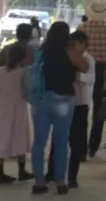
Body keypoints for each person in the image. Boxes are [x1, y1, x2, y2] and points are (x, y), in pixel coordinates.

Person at [29, 21, 87, 195]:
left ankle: (39, 182)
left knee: (39, 142)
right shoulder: (71, 52)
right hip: (63, 99)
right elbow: (85, 66)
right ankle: (60, 181)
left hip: (41, 99)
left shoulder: (41, 52)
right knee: (61, 141)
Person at [0, 23, 34, 184]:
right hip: (17, 105)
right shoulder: (30, 56)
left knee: (1, 134)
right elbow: (27, 86)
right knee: (19, 134)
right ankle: (21, 169)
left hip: (2, 105)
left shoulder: (5, 54)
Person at [47, 31, 94, 190]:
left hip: (80, 104)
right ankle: (51, 172)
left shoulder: (88, 59)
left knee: (76, 143)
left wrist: (76, 75)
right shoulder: (63, 57)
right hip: (64, 102)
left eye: (77, 45)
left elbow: (90, 79)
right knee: (57, 139)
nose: (74, 48)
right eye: (71, 45)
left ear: (83, 44)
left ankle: (72, 176)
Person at [79, 0, 106, 160]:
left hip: (85, 69)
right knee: (99, 111)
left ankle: (80, 148)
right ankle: (93, 146)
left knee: (81, 110)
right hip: (104, 71)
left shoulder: (83, 28)